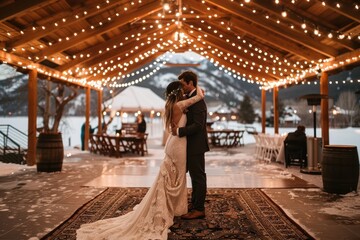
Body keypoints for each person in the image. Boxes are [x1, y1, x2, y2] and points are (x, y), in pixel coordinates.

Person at [76, 80, 204, 240]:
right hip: (178, 145)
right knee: (176, 177)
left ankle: (172, 206)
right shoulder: (180, 105)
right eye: (182, 89)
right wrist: (196, 86)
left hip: (174, 143)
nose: (185, 91)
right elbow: (198, 97)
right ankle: (173, 208)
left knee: (170, 178)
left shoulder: (170, 106)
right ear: (178, 92)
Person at [171, 70, 209, 220]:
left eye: (182, 84)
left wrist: (179, 131)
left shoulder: (198, 101)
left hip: (196, 145)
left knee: (198, 176)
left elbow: (198, 126)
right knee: (194, 176)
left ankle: (199, 208)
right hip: (190, 145)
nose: (181, 87)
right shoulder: (192, 97)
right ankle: (195, 204)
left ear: (190, 83)